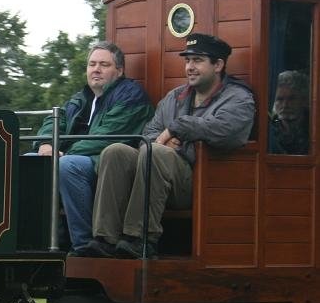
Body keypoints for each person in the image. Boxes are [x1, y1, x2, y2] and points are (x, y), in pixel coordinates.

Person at [86, 33, 255, 259]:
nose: (190, 67)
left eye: (197, 60)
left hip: (203, 184)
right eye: (187, 61)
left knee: (156, 152)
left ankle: (140, 239)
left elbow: (225, 131)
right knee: (115, 151)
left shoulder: (239, 98)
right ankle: (106, 238)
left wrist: (176, 130)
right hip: (158, 175)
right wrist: (165, 138)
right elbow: (149, 132)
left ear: (218, 65)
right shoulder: (174, 97)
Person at [35, 41, 153, 256]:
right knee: (30, 161)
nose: (96, 69)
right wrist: (46, 144)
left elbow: (107, 136)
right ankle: (34, 239)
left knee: (66, 166)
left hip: (108, 165)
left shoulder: (131, 95)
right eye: (91, 64)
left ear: (119, 71)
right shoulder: (81, 98)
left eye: (104, 65)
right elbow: (56, 119)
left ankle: (84, 245)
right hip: (74, 158)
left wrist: (64, 154)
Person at [269, 69, 310, 155]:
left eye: (292, 99)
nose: (285, 105)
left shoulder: (313, 128)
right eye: (279, 99)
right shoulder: (269, 129)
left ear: (304, 100)